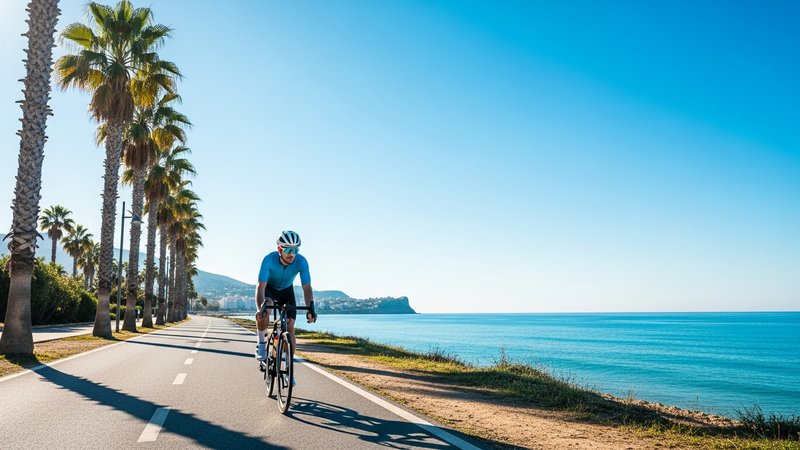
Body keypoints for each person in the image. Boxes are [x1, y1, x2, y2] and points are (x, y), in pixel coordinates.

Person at [254, 230, 317, 384]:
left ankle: (289, 368)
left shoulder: (301, 262)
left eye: (295, 250)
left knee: (290, 326)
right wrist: (260, 309)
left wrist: (310, 308)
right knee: (266, 308)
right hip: (270, 290)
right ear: (279, 250)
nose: (292, 254)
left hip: (287, 292)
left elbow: (307, 287)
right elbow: (260, 287)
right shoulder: (268, 260)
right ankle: (261, 343)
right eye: (288, 250)